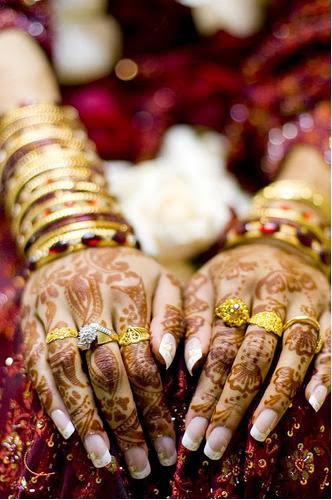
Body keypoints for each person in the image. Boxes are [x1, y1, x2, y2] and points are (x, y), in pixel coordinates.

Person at [0, 2, 330, 499]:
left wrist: (291, 232)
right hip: (30, 125)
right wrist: (64, 217)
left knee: (276, 368)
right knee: (74, 367)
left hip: (270, 151)